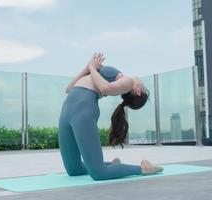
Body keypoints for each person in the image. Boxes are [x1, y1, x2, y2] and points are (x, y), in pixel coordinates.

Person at [58, 52, 163, 181]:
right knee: (74, 170)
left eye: (145, 88)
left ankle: (144, 168)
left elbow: (105, 89)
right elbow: (68, 89)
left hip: (82, 111)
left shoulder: (128, 81)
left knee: (99, 174)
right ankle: (114, 167)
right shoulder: (109, 75)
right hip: (66, 111)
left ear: (138, 91)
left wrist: (91, 68)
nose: (143, 84)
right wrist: (87, 68)